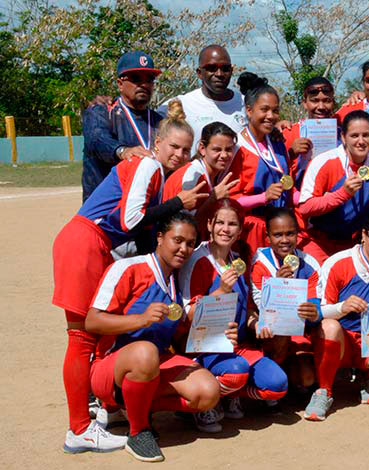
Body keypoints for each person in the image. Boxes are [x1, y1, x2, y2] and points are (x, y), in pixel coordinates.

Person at [52, 100, 206, 454]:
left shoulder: (153, 168)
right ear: (157, 144)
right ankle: (79, 428)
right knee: (80, 339)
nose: (179, 155)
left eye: (185, 149)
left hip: (92, 242)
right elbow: (131, 220)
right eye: (173, 147)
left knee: (86, 338)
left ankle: (92, 413)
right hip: (86, 239)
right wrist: (178, 202)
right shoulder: (148, 165)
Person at [86, 213, 227, 462]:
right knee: (145, 351)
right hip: (110, 368)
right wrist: (140, 320)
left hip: (154, 363)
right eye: (178, 240)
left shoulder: (175, 280)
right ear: (160, 237)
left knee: (207, 392)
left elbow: (182, 336)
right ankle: (139, 431)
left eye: (191, 243)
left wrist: (223, 335)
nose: (184, 249)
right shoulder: (128, 268)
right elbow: (93, 320)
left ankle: (129, 407)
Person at [178, 199, 290, 432]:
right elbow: (187, 315)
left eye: (232, 224)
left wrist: (255, 322)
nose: (225, 229)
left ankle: (231, 395)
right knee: (236, 372)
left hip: (236, 346)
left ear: (240, 231)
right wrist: (221, 291)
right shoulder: (198, 260)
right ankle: (204, 403)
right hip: (205, 346)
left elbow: (247, 307)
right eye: (220, 223)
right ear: (209, 225)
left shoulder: (237, 261)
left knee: (277, 386)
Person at [304, 212, 369, 421]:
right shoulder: (338, 263)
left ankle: (368, 376)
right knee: (330, 326)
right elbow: (318, 313)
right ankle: (324, 391)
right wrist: (343, 307)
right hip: (341, 341)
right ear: (363, 235)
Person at [298, 110, 369, 262]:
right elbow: (305, 208)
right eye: (354, 136)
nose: (361, 141)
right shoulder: (323, 162)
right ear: (343, 137)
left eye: (366, 135)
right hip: (318, 241)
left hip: (353, 245)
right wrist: (342, 194)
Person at [249, 208, 322, 391]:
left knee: (306, 378)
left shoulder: (309, 263)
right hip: (267, 334)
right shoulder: (259, 263)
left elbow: (316, 306)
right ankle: (271, 383)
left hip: (298, 333)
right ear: (268, 236)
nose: (284, 240)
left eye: (290, 233)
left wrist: (313, 313)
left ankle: (287, 378)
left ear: (298, 234)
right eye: (278, 235)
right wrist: (278, 286)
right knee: (279, 330)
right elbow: (261, 306)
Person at [81, 51, 163, 201]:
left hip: (145, 209)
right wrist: (123, 151)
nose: (143, 85)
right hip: (107, 210)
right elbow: (97, 140)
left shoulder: (160, 120)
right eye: (136, 79)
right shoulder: (101, 111)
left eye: (149, 79)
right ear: (120, 84)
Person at [228, 73, 293, 257]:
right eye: (264, 109)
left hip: (280, 231)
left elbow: (289, 188)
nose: (270, 116)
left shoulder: (278, 142)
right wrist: (263, 197)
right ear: (249, 110)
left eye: (275, 110)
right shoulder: (237, 147)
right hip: (250, 230)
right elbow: (230, 200)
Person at [158, 45, 247, 154]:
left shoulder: (247, 105)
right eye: (212, 68)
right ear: (199, 73)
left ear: (231, 71)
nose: (219, 74)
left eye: (225, 69)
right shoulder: (180, 104)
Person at [162, 122, 240, 230]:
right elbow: (185, 226)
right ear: (202, 148)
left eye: (228, 149)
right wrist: (213, 199)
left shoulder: (211, 175)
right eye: (217, 150)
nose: (224, 155)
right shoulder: (193, 177)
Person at [282, 76, 340, 188]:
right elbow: (275, 174)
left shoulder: (344, 136)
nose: (321, 107)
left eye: (327, 101)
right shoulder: (288, 134)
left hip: (338, 199)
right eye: (315, 101)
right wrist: (291, 154)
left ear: (333, 102)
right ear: (304, 102)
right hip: (298, 201)